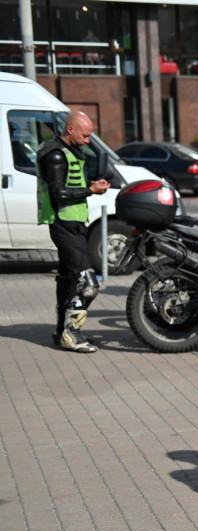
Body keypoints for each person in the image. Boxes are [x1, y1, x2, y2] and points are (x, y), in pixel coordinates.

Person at [37, 111, 109, 353]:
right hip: (63, 224)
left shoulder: (68, 152)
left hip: (74, 222)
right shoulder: (55, 154)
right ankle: (72, 334)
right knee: (88, 282)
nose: (88, 141)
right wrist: (91, 190)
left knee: (68, 278)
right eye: (85, 135)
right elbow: (58, 193)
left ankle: (61, 333)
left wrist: (92, 187)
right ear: (70, 129)